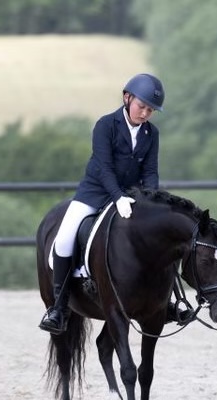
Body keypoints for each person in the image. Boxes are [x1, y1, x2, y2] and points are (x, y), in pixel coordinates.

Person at [40, 73, 183, 334]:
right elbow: (105, 168)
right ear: (127, 98)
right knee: (64, 239)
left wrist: (149, 200)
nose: (145, 113)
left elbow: (150, 171)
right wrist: (117, 197)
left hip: (133, 197)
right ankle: (58, 308)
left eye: (151, 110)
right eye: (142, 106)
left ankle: (168, 302)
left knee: (159, 237)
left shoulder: (152, 133)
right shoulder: (106, 125)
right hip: (94, 194)